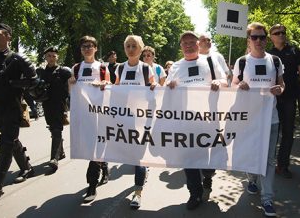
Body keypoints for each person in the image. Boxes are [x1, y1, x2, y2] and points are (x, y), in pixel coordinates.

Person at [166, 31, 227, 210]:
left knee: (209, 156)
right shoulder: (176, 66)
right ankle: (195, 193)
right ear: (181, 46)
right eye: (185, 43)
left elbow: (225, 79)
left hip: (209, 119)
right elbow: (167, 89)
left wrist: (219, 83)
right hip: (186, 120)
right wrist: (170, 86)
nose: (189, 45)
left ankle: (208, 175)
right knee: (188, 158)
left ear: (198, 45)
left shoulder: (210, 61)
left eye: (192, 42)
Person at [0, 23, 37, 196]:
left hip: (13, 106)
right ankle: (27, 167)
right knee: (11, 140)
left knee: (6, 143)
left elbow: (34, 81)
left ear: (8, 37)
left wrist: (13, 84)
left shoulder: (18, 59)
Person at [232, 22, 285, 217]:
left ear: (266, 39)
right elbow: (233, 84)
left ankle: (268, 198)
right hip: (248, 119)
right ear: (249, 40)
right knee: (252, 154)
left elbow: (282, 84)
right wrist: (240, 85)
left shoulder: (276, 61)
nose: (259, 41)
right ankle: (252, 179)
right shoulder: (242, 62)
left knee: (269, 159)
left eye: (262, 37)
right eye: (255, 37)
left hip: (271, 119)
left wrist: (281, 89)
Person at [114, 35, 157, 209]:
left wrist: (154, 87)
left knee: (139, 156)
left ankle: (138, 192)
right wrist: (103, 86)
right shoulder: (119, 68)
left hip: (142, 119)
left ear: (140, 49)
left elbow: (154, 89)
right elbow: (114, 89)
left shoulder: (146, 69)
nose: (130, 49)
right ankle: (142, 172)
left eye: (134, 46)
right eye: (128, 46)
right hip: (125, 119)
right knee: (132, 155)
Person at [68, 36, 111, 203]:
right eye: (84, 46)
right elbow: (72, 92)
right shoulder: (76, 68)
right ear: (81, 49)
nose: (87, 48)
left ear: (95, 48)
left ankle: (91, 186)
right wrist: (70, 83)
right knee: (90, 147)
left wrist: (104, 83)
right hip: (83, 116)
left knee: (96, 147)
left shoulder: (101, 67)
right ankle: (105, 166)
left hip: (99, 115)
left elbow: (109, 87)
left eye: (90, 46)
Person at [268, 24, 300, 178]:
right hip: (270, 101)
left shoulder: (294, 51)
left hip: (289, 99)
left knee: (288, 133)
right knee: (270, 133)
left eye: (283, 32)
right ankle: (267, 163)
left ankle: (282, 165)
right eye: (277, 33)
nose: (281, 35)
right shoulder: (267, 54)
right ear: (271, 37)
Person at [36, 46, 71, 171]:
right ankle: (60, 152)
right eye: (49, 55)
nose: (51, 58)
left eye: (54, 56)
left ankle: (54, 159)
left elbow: (74, 84)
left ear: (57, 57)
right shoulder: (40, 72)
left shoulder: (64, 71)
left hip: (59, 105)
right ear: (45, 57)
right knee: (53, 129)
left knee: (57, 129)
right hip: (46, 105)